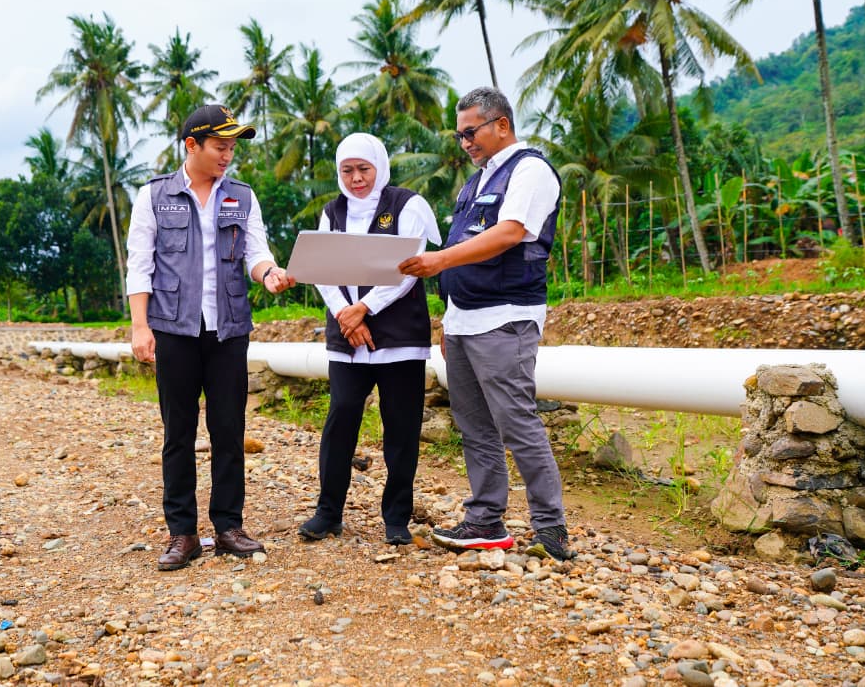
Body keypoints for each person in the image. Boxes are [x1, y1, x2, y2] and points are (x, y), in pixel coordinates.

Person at [398, 86, 574, 561]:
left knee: (517, 422)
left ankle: (551, 527)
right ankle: (485, 519)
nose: (465, 143)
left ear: (501, 125)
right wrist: (449, 314)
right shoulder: (475, 183)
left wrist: (438, 262)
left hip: (505, 319)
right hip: (464, 321)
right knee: (474, 426)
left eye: (471, 132)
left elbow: (511, 232)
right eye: (459, 136)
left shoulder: (530, 171)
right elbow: (467, 247)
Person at [126, 104, 295, 571]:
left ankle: (227, 527)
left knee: (228, 429)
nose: (228, 155)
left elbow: (257, 254)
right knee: (177, 433)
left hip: (228, 330)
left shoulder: (242, 196)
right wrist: (140, 326)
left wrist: (271, 275)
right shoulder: (154, 196)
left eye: (233, 147)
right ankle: (183, 534)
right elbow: (139, 264)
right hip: (173, 329)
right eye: (220, 146)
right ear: (192, 145)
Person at [298, 134, 442, 546]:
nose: (356, 178)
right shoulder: (332, 211)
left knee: (401, 426)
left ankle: (396, 518)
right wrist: (348, 314)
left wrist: (365, 309)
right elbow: (323, 269)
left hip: (399, 338)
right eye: (348, 170)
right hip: (348, 339)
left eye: (364, 169)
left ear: (379, 166)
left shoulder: (407, 204)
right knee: (341, 418)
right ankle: (328, 512)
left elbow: (408, 268)